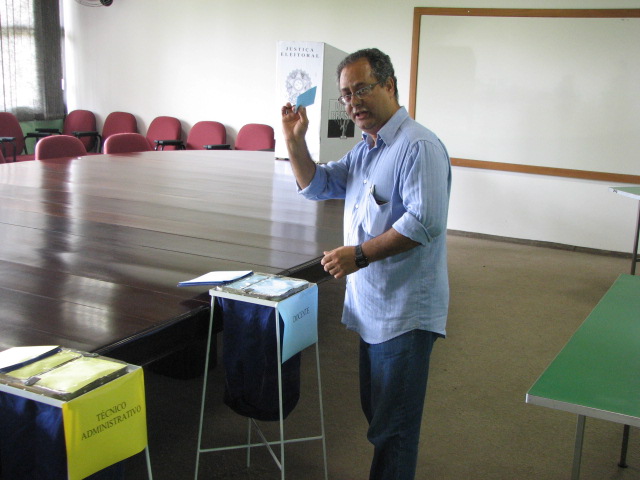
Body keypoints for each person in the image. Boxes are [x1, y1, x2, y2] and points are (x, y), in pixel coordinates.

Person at [281, 48, 451, 480]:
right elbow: (318, 184)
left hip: (405, 314)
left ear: (389, 86)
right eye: (345, 94)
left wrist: (357, 254)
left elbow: (424, 222)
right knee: (380, 418)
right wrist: (295, 142)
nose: (353, 102)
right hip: (373, 308)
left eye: (362, 89)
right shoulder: (367, 149)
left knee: (394, 431)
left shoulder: (418, 146)